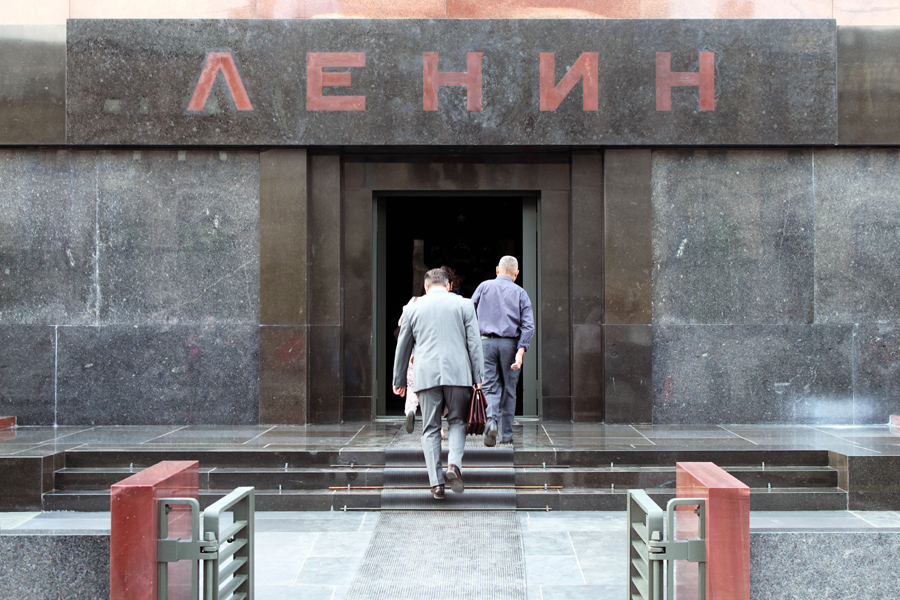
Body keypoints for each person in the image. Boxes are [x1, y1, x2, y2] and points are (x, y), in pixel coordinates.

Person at [392, 268, 484, 500]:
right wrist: (478, 378)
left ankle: (437, 484)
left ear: (426, 287)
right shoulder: (465, 305)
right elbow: (474, 344)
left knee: (430, 427)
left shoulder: (411, 308)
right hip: (459, 374)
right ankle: (453, 465)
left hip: (426, 375)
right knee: (457, 421)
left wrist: (399, 380)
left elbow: (403, 347)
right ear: (449, 285)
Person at [471, 255, 535, 447]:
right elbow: (528, 325)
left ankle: (491, 422)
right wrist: (520, 351)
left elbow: (468, 313)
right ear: (517, 273)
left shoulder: (483, 287)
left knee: (489, 386)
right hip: (510, 345)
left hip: (486, 344)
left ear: (497, 269)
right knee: (509, 389)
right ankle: (506, 435)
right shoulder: (521, 292)